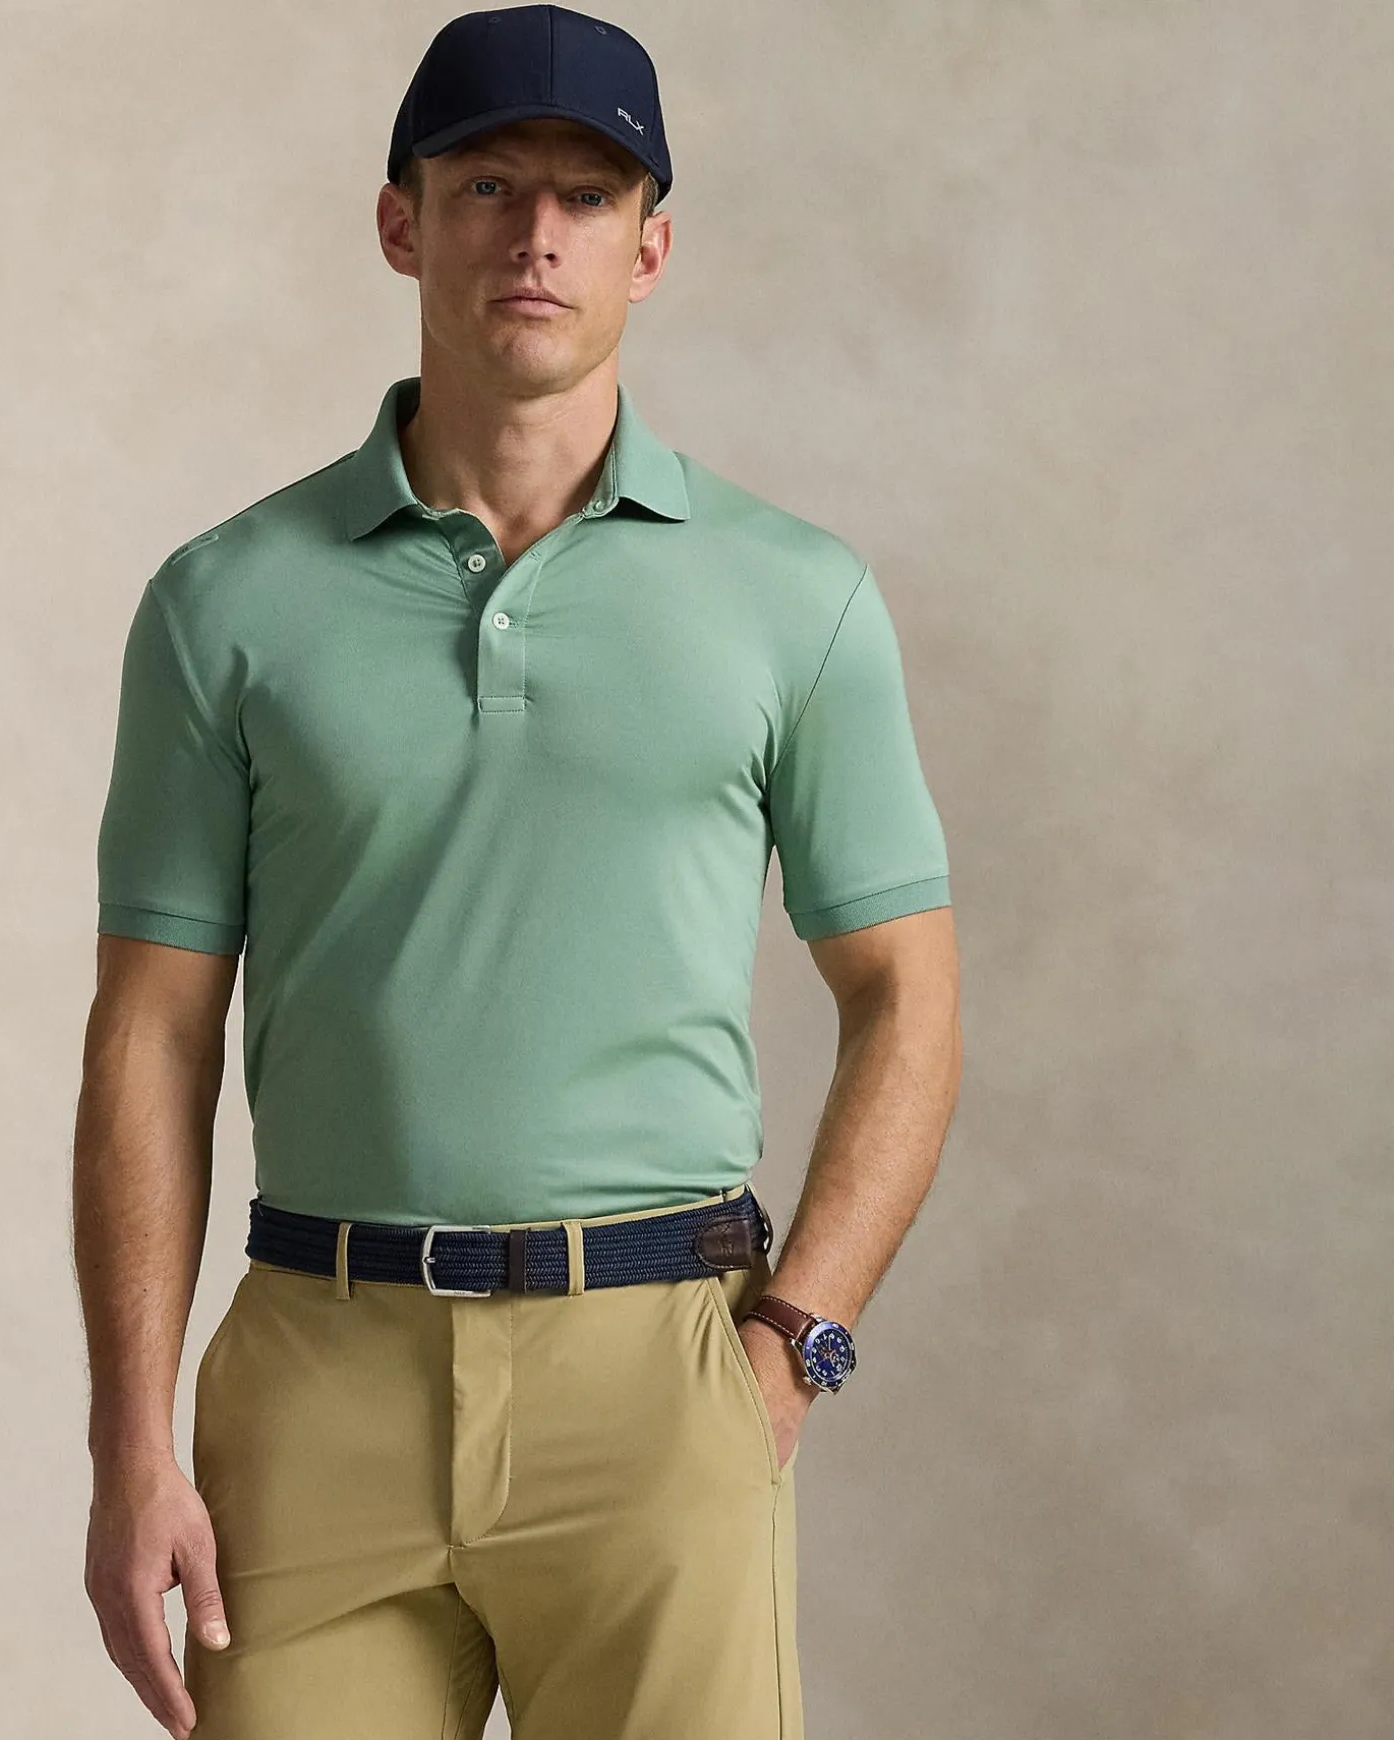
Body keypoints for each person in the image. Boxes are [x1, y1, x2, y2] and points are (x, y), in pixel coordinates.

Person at [73, 7, 962, 1738]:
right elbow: (150, 1034)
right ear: (400, 223)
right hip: (317, 1379)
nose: (537, 234)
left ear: (652, 247)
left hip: (660, 1378)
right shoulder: (226, 602)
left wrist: (795, 1344)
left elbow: (907, 999)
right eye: (487, 186)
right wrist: (128, 1442)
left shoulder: (797, 598)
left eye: (586, 194)